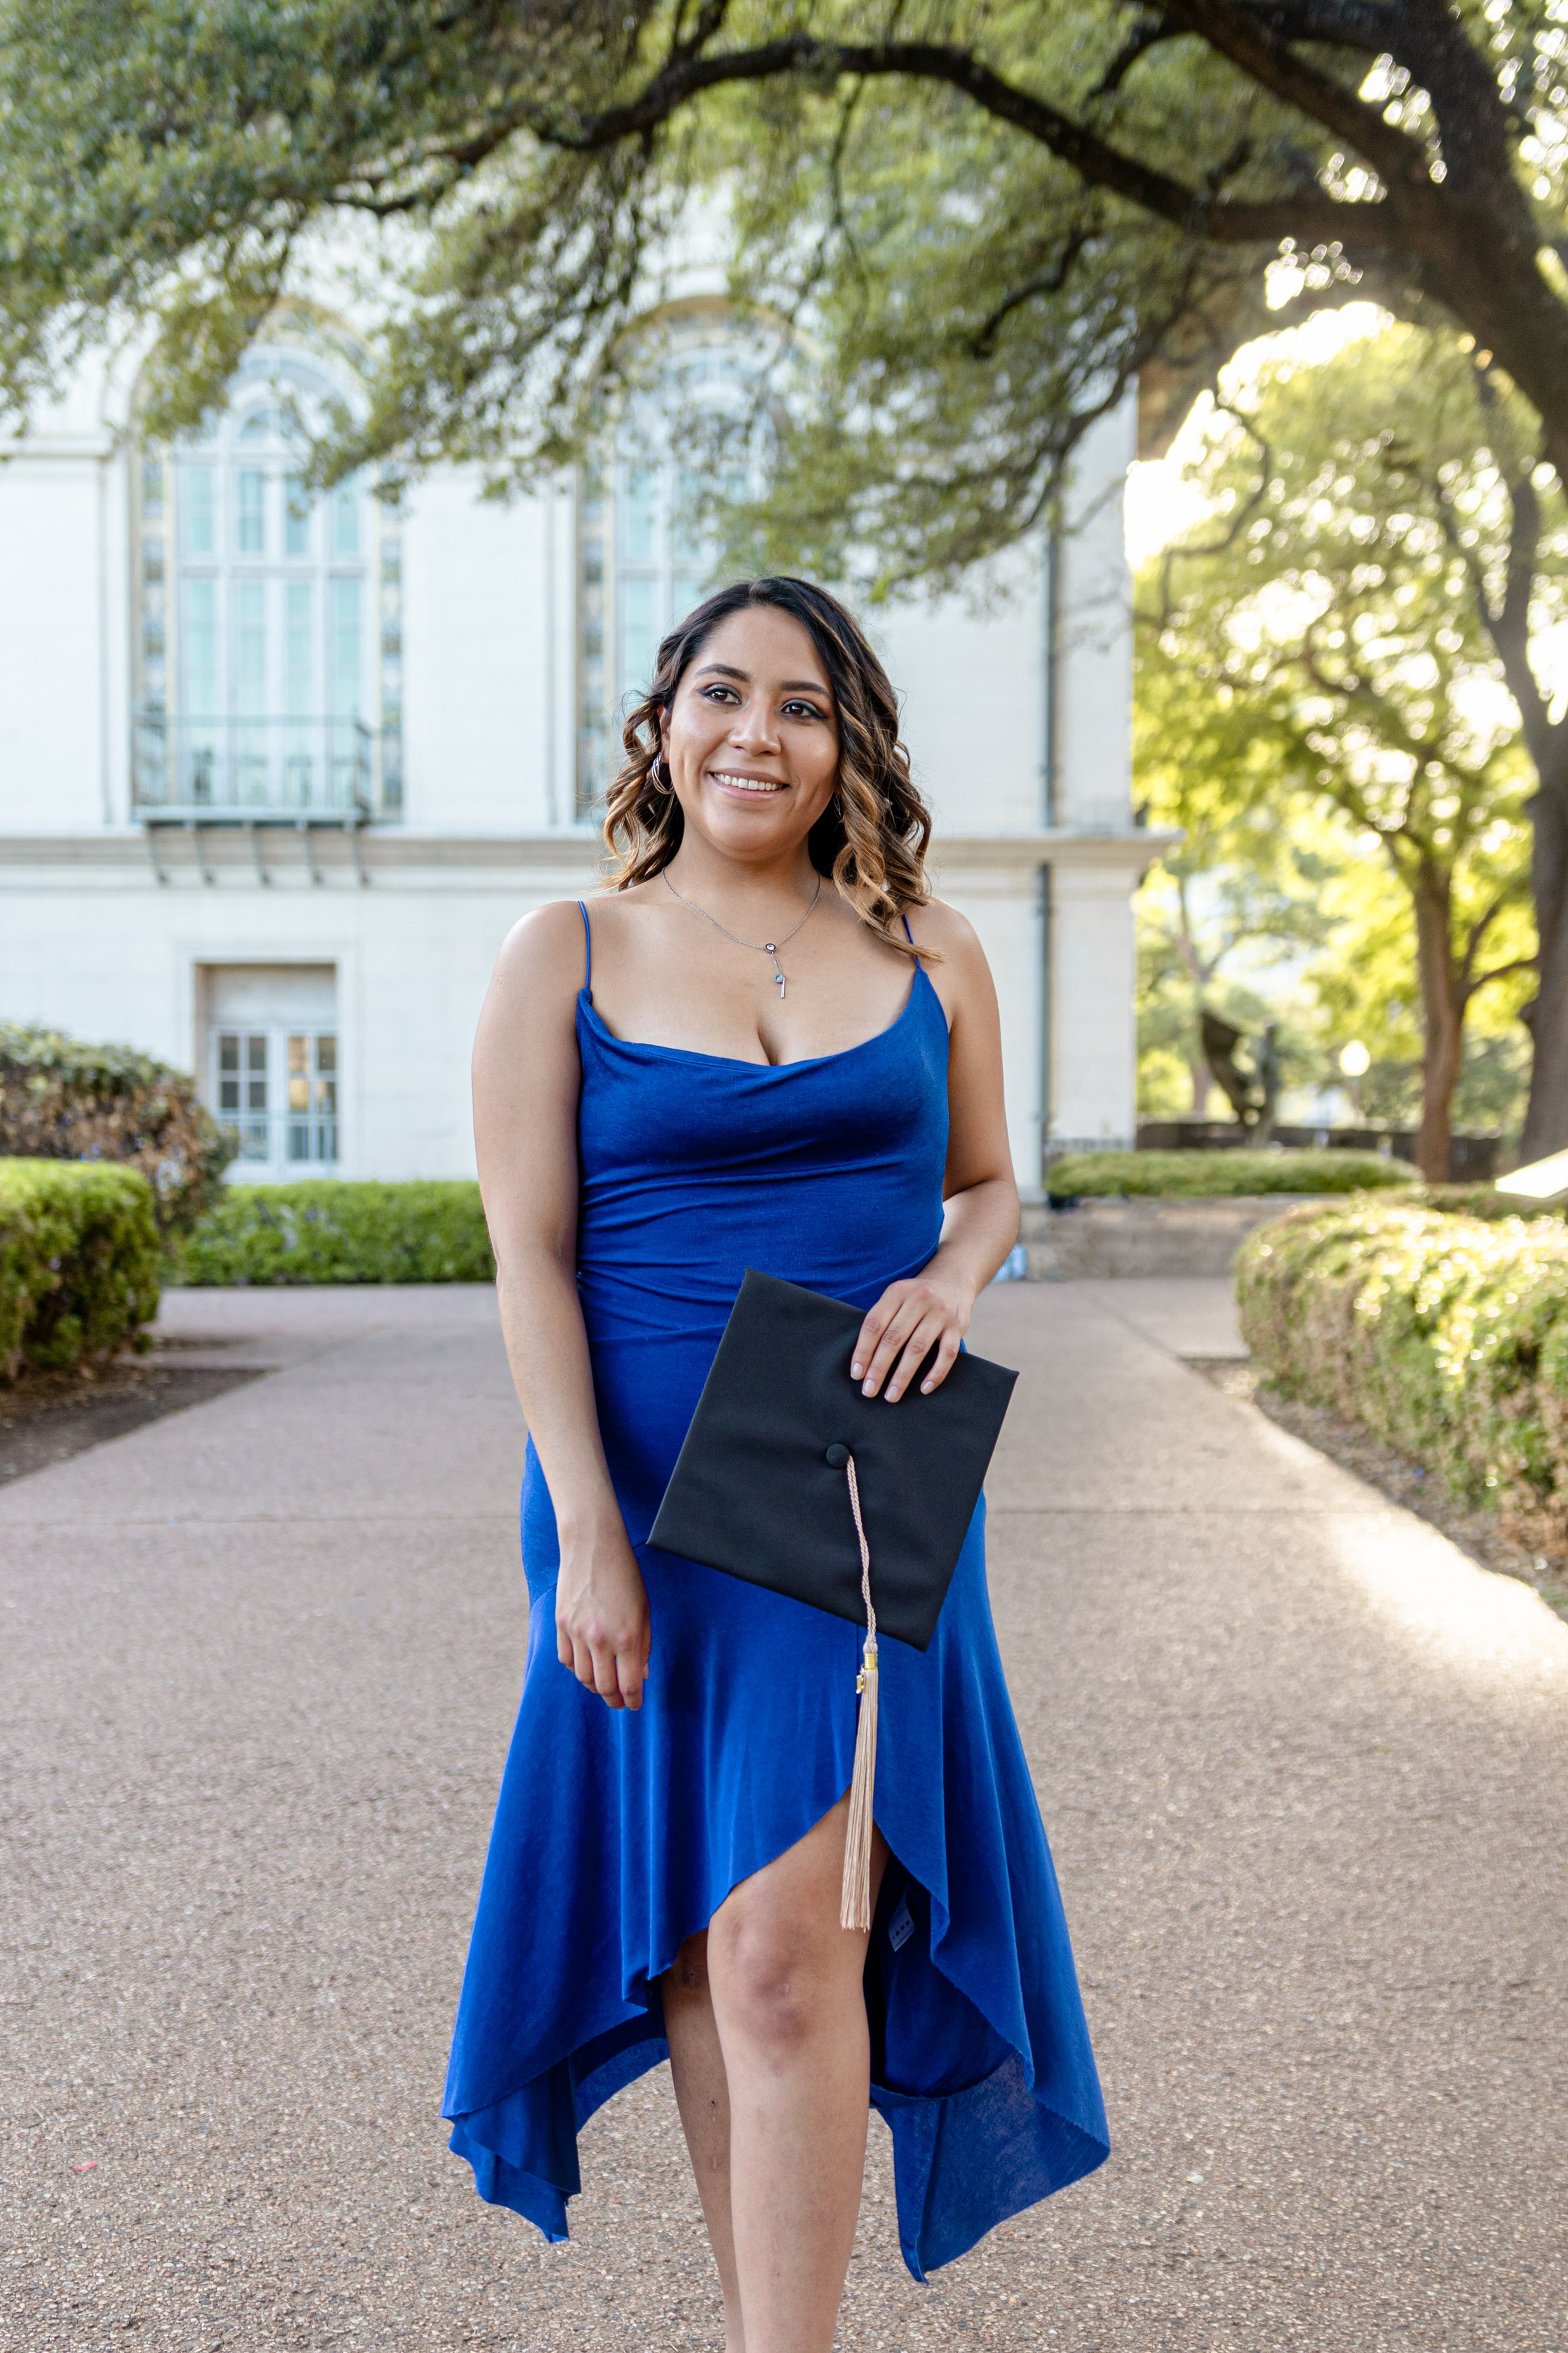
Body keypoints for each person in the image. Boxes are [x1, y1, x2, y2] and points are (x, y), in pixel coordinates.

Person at [448, 576, 1107, 2353]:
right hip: (641, 1493)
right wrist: (584, 1524)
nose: (759, 732)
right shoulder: (561, 951)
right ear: (664, 721)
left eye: (802, 706)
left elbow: (988, 1186)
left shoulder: (932, 944)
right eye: (724, 694)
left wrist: (952, 1278)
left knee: (787, 1949)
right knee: (699, 1941)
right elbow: (530, 1256)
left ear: (847, 744)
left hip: (854, 1474)